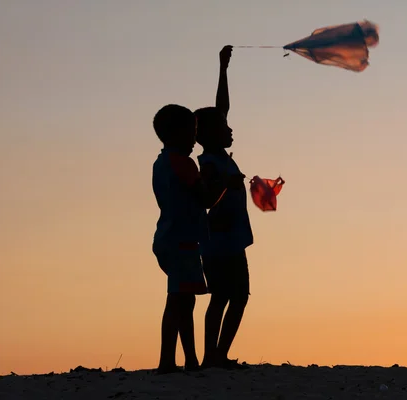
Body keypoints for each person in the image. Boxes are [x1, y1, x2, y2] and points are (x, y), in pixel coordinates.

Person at [194, 45, 253, 370]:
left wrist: (223, 69)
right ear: (207, 135)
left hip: (231, 241)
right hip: (219, 244)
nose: (229, 128)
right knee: (221, 298)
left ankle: (218, 355)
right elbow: (207, 198)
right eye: (222, 127)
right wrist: (227, 186)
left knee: (237, 297)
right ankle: (211, 356)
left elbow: (222, 107)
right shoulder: (210, 162)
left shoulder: (219, 157)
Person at [151, 104, 212, 374]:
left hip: (167, 237)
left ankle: (190, 360)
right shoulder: (184, 164)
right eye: (192, 132)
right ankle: (167, 361)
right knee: (178, 301)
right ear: (176, 133)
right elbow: (205, 199)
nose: (194, 139)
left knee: (185, 300)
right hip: (182, 240)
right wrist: (223, 184)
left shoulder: (160, 163)